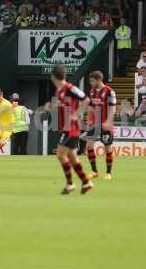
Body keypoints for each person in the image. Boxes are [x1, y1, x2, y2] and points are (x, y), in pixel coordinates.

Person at [46, 65, 93, 194]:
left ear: (53, 77)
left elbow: (86, 99)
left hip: (71, 127)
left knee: (60, 154)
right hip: (66, 127)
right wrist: (51, 105)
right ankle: (86, 182)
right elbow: (60, 105)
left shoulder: (69, 88)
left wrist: (76, 114)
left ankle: (70, 184)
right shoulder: (59, 91)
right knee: (72, 156)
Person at [85, 71, 116, 181]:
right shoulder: (92, 91)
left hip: (105, 124)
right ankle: (94, 171)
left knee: (107, 147)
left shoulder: (109, 91)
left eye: (92, 81)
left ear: (98, 80)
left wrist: (108, 121)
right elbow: (91, 106)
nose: (91, 83)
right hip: (94, 123)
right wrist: (89, 117)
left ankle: (108, 173)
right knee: (89, 146)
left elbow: (113, 108)